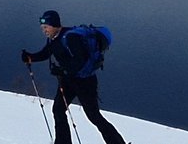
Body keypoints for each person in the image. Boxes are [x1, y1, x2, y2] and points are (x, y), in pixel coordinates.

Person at [21, 9, 128, 144]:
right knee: (58, 110)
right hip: (68, 81)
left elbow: (80, 62)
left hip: (85, 82)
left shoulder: (70, 38)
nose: (44, 30)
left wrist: (62, 70)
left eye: (46, 27)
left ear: (54, 25)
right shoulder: (53, 39)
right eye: (43, 28)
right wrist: (30, 57)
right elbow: (46, 53)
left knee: (93, 116)